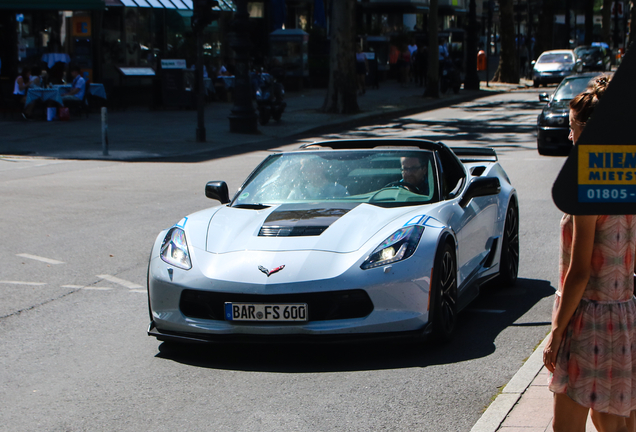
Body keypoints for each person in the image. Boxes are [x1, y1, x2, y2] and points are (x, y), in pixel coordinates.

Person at [543, 75, 636, 432]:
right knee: (616, 422)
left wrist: (555, 332)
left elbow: (579, 272)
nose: (569, 136)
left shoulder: (587, 185)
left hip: (588, 321)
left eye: (572, 128)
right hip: (624, 316)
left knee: (566, 426)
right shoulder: (625, 176)